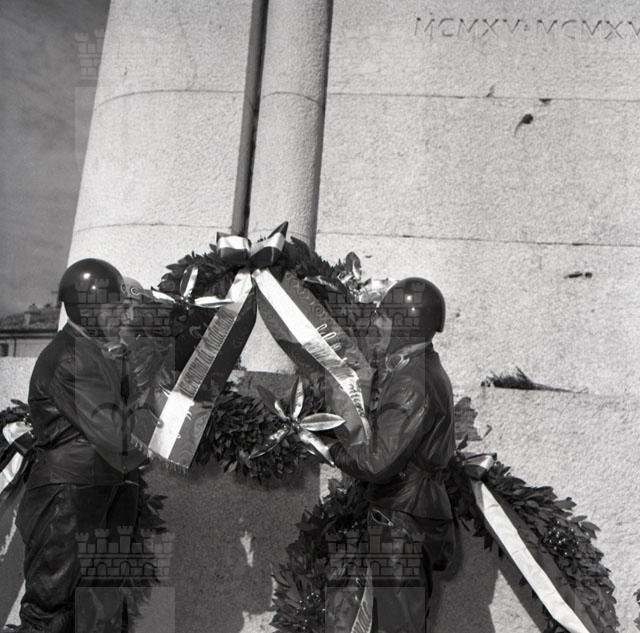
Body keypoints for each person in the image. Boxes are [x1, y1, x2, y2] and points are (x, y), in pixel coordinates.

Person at [302, 277, 456, 633]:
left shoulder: (412, 380)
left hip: (401, 526)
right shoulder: (421, 370)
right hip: (409, 516)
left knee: (396, 627)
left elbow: (378, 463)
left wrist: (327, 447)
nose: (378, 324)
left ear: (406, 323)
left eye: (385, 316)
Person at [7, 259, 147, 633]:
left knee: (97, 612)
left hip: (97, 490)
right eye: (114, 309)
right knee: (51, 612)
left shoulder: (97, 352)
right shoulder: (72, 356)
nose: (124, 316)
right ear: (86, 309)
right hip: (68, 498)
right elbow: (117, 434)